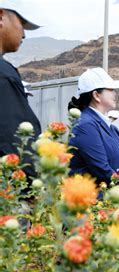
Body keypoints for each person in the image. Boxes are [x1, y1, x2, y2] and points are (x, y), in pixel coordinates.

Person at [68, 68, 119, 191]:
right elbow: (101, 168)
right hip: (93, 202)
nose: (115, 94)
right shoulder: (85, 125)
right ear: (96, 95)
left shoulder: (112, 129)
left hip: (112, 199)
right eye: (110, 89)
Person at [0, 7, 41, 180]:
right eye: (22, 24)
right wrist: (28, 185)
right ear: (1, 17)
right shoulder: (3, 75)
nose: (24, 35)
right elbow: (11, 139)